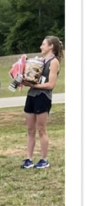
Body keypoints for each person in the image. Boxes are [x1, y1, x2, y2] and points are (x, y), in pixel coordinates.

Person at [21, 36, 63, 170]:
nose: (41, 47)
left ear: (51, 46)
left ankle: (44, 159)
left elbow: (51, 85)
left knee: (41, 129)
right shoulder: (39, 60)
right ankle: (29, 159)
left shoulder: (54, 62)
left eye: (43, 44)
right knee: (30, 129)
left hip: (43, 97)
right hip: (31, 96)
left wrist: (33, 85)